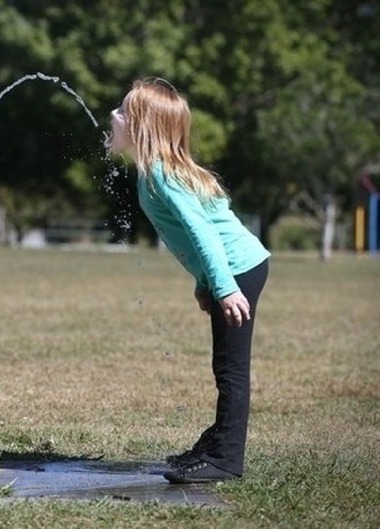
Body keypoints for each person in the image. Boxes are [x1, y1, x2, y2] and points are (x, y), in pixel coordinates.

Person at [105, 78, 270, 484]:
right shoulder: (153, 172)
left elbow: (204, 233)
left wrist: (225, 286)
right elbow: (200, 232)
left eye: (124, 112)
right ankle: (214, 446)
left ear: (142, 127)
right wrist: (205, 283)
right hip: (230, 271)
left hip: (238, 271)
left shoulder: (161, 174)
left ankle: (226, 460)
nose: (113, 115)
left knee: (231, 368)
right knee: (224, 366)